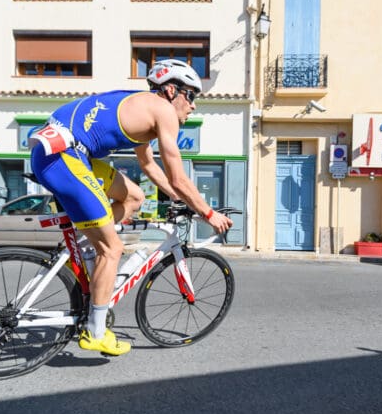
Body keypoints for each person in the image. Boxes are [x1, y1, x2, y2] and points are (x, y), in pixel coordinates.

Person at [30, 59, 233, 356]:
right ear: (171, 90)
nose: (193, 106)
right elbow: (177, 175)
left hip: (60, 151)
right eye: (191, 96)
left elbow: (148, 164)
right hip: (65, 157)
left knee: (134, 197)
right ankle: (96, 332)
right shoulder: (163, 111)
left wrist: (177, 199)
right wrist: (209, 213)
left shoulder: (141, 105)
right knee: (111, 250)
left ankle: (89, 242)